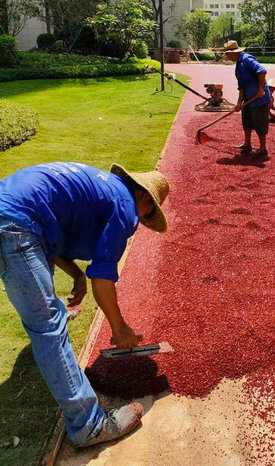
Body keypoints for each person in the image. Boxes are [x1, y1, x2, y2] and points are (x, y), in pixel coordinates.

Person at [0, 162, 170, 448]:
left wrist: (76, 275)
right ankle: (88, 425)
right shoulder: (125, 206)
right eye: (148, 215)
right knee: (48, 327)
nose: (140, 222)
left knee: (42, 303)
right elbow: (103, 278)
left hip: (13, 214)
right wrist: (119, 329)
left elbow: (49, 231)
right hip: (16, 225)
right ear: (145, 200)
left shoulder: (105, 187)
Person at [223, 40, 271, 157]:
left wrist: (260, 89)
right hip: (248, 99)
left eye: (228, 54)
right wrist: (239, 103)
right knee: (247, 122)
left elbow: (262, 71)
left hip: (259, 98)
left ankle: (262, 148)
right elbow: (241, 86)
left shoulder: (247, 59)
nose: (228, 57)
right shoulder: (238, 65)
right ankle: (247, 144)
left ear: (233, 53)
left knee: (260, 123)